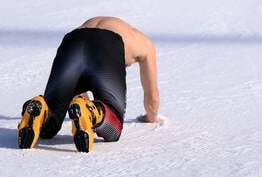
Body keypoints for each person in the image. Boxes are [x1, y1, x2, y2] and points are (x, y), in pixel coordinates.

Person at [18, 16, 161, 153]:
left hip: (73, 40)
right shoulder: (145, 43)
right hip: (109, 42)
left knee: (51, 116)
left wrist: (81, 104)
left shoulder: (92, 25)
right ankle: (93, 113)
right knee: (113, 127)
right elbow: (152, 96)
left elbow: (80, 79)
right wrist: (151, 117)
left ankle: (42, 110)